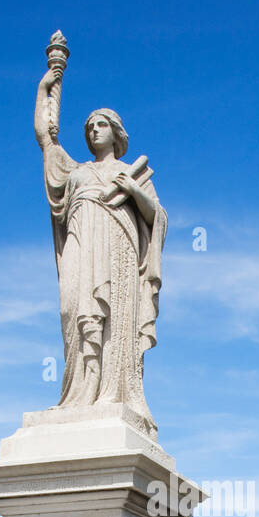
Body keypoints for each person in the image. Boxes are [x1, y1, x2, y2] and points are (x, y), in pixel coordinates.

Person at [34, 66, 167, 436]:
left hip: (117, 248)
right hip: (81, 241)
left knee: (115, 319)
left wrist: (135, 190)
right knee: (72, 307)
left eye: (101, 125)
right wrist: (47, 86)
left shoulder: (132, 172)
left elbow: (158, 218)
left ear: (116, 132)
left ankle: (111, 389)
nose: (94, 130)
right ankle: (78, 392)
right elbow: (46, 139)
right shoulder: (74, 171)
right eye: (90, 126)